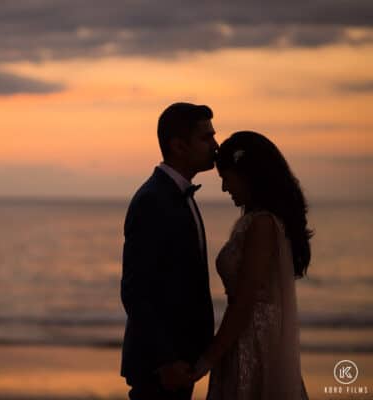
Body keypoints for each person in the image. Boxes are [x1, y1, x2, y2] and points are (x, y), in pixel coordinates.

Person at [192, 131, 312, 399]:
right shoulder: (258, 221)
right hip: (247, 336)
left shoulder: (262, 225)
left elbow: (244, 303)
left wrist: (206, 360)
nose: (224, 188)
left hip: (253, 342)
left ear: (247, 173)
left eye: (226, 178)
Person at [121, 102, 218, 400]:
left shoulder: (178, 194)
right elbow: (136, 290)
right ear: (178, 146)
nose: (216, 145)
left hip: (181, 361)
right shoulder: (154, 200)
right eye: (206, 138)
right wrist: (166, 360)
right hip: (161, 368)